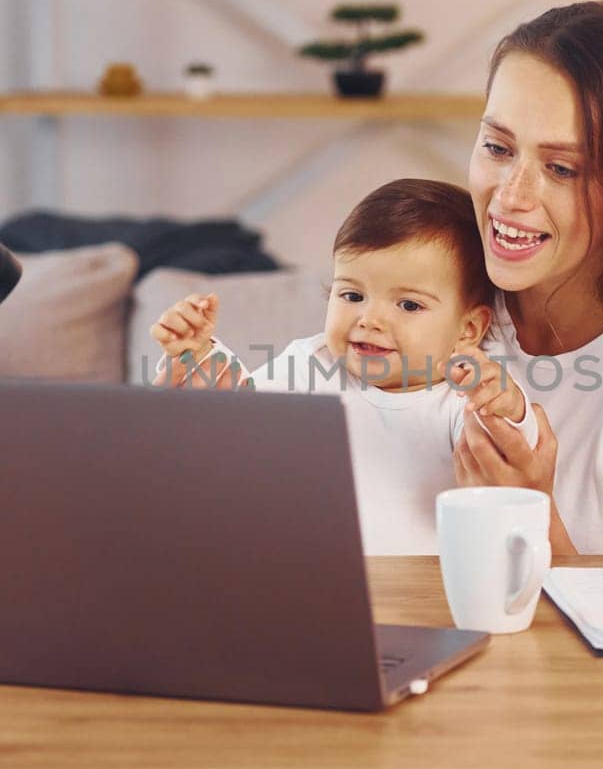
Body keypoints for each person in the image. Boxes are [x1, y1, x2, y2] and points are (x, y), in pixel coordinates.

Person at [69, 0, 603, 769]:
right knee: (110, 765)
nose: (512, 196)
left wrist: (537, 525)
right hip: (417, 704)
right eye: (498, 147)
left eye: (562, 166)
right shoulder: (439, 307)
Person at [149, 177, 538, 557]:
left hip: (425, 592)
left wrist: (505, 406)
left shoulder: (462, 396)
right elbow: (241, 414)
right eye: (352, 295)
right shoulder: (311, 363)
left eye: (408, 305)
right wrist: (198, 356)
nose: (369, 319)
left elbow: (515, 453)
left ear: (468, 329)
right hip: (311, 576)